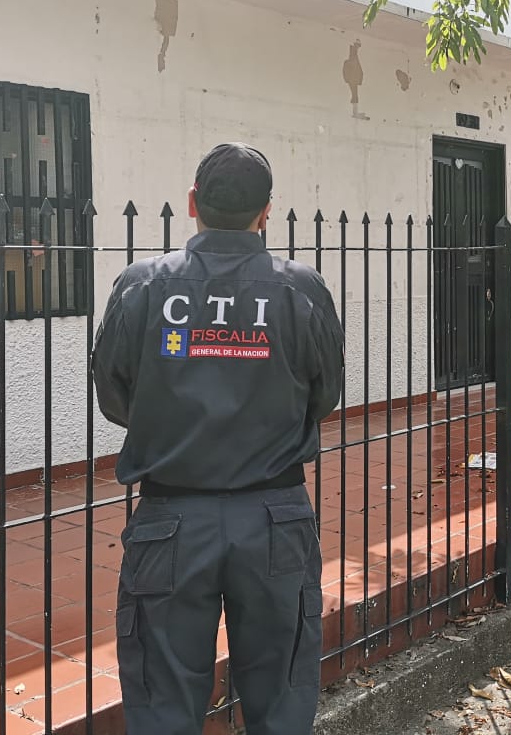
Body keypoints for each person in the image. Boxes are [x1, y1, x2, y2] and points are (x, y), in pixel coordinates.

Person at [92, 143, 344, 735]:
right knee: (281, 705)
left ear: (192, 203)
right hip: (275, 518)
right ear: (267, 212)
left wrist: (172, 423)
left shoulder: (141, 286)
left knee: (163, 707)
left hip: (170, 521)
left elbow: (114, 396)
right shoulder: (301, 290)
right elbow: (324, 395)